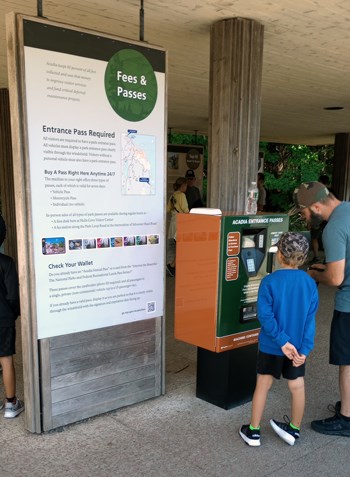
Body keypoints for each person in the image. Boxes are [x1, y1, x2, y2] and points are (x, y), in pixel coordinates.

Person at [239, 232, 318, 447]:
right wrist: (304, 350)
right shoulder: (310, 284)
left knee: (263, 385)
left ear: (280, 255)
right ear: (303, 258)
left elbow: (265, 316)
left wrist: (282, 341)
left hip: (272, 345)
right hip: (298, 349)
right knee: (297, 386)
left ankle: (253, 431)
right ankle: (294, 429)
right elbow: (310, 321)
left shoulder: (269, 281)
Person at [293, 181, 350, 436]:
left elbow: (336, 278)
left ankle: (347, 420)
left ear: (316, 206)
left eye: (303, 211)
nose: (304, 217)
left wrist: (317, 276)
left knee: (347, 362)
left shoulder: (334, 227)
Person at [0, 215, 24, 418]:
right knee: (6, 359)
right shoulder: (6, 262)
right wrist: (13, 313)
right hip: (3, 319)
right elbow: (13, 295)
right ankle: (11, 403)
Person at [166, 177, 189, 277]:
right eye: (186, 185)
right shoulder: (182, 195)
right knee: (181, 246)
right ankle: (172, 266)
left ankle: (173, 265)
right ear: (183, 185)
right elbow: (185, 210)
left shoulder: (173, 195)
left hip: (173, 222)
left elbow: (167, 209)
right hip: (180, 223)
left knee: (176, 246)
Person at [308, 174, 331, 265]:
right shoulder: (332, 193)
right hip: (328, 218)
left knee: (314, 238)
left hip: (318, 218)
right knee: (328, 238)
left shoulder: (318, 192)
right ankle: (327, 258)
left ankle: (316, 257)